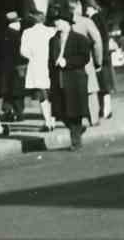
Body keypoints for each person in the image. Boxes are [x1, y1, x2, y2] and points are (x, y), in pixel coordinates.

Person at [57, 12, 94, 150]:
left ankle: (75, 141)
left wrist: (67, 62)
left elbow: (84, 58)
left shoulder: (80, 39)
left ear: (67, 24)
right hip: (59, 79)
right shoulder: (54, 39)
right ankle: (78, 129)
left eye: (59, 21)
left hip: (75, 78)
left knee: (74, 111)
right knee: (60, 111)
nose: (56, 24)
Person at [18, 10, 55, 128]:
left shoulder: (27, 33)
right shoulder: (51, 31)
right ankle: (52, 119)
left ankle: (47, 120)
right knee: (51, 91)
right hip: (50, 63)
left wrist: (32, 56)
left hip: (36, 64)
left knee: (42, 92)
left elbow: (23, 51)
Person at [0, 11, 25, 124]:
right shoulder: (18, 36)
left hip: (3, 69)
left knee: (6, 92)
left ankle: (8, 112)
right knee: (17, 92)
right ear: (15, 23)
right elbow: (22, 53)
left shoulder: (0, 36)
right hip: (16, 67)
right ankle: (19, 113)